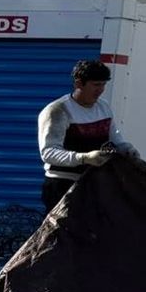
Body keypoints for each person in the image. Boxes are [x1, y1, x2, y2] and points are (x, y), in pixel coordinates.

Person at [38, 59, 138, 210]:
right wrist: (84, 158)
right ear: (79, 84)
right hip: (63, 185)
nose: (100, 90)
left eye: (104, 84)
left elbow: (115, 138)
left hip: (95, 183)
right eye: (96, 85)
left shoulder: (103, 107)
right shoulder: (58, 110)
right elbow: (49, 153)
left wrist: (127, 149)